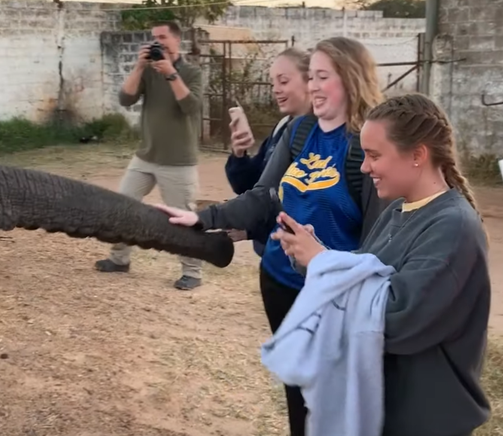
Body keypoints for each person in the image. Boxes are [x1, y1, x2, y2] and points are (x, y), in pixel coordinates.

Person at [155, 36, 386, 436]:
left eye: (322, 77)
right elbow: (264, 196)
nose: (312, 86)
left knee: (334, 395)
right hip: (280, 282)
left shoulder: (364, 146)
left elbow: (377, 242)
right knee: (297, 389)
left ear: (350, 79)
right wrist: (202, 218)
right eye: (310, 76)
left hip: (333, 297)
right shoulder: (300, 130)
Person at [271, 93, 491, 436]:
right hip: (388, 411)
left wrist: (323, 262)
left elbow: (396, 317)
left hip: (425, 420)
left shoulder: (453, 227)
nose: (364, 167)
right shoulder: (397, 210)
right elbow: (367, 269)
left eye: (374, 155)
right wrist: (311, 256)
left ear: (417, 154)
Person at [94, 20, 204, 290]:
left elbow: (190, 106)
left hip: (178, 160)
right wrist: (139, 67)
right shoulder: (148, 72)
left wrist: (170, 73)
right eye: (154, 37)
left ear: (177, 40)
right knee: (121, 206)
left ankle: (193, 272)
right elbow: (125, 99)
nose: (158, 42)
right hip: (145, 156)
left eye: (163, 37)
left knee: (183, 217)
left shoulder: (191, 72)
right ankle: (119, 259)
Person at [225, 47, 312, 256]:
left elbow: (300, 205)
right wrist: (239, 155)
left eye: (283, 81)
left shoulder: (322, 136)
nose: (275, 89)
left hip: (299, 260)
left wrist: (251, 229)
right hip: (271, 254)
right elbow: (254, 188)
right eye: (273, 82)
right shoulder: (283, 126)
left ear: (310, 81)